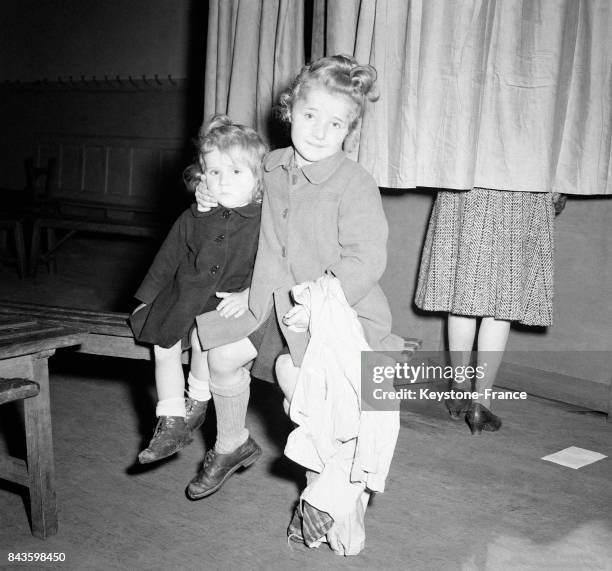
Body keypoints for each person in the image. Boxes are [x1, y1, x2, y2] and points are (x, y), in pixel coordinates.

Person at [188, 55, 404, 542]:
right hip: (268, 301)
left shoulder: (354, 183)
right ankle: (231, 442)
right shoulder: (270, 164)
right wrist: (207, 198)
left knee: (309, 410)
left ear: (350, 128)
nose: (321, 132)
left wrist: (322, 295)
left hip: (335, 314)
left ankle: (334, 505)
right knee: (219, 353)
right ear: (290, 110)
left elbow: (367, 259)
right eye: (311, 116)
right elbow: (234, 197)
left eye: (336, 123)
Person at [128, 115, 267, 463]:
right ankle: (171, 418)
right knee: (164, 347)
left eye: (236, 172)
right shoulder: (196, 215)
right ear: (203, 175)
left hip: (222, 302)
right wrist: (145, 299)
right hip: (183, 295)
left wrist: (250, 293)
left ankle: (198, 401)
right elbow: (168, 256)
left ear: (258, 179)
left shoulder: (266, 220)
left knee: (205, 341)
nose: (224, 182)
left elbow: (273, 266)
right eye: (215, 172)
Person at [415, 187, 555, 434]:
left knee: (461, 293)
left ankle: (459, 389)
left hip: (467, 182)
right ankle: (482, 403)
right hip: (521, 187)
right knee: (502, 300)